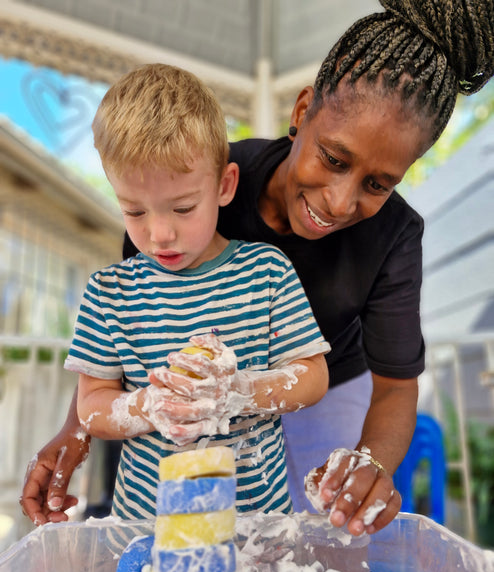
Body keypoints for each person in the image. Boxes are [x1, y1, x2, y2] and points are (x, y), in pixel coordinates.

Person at [20, 0, 494, 533]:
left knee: (321, 533)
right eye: (333, 159)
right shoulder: (191, 183)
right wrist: (78, 428)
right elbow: (118, 340)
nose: (339, 201)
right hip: (174, 438)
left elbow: (393, 387)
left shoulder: (391, 237)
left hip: (329, 381)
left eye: (377, 184)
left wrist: (369, 462)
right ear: (302, 112)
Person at [60, 62, 330, 520]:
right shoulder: (110, 292)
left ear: (224, 186)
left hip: (256, 526)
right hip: (149, 529)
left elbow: (311, 375)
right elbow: (92, 406)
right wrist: (147, 405)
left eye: (183, 208)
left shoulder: (266, 272)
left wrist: (239, 390)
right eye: (135, 212)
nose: (160, 233)